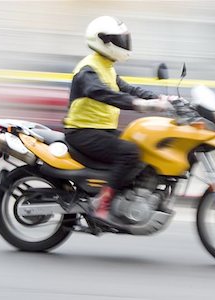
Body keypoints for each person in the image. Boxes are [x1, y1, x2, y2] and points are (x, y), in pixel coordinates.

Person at [64, 16, 172, 225]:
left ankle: (127, 197)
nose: (124, 44)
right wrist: (141, 105)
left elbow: (129, 89)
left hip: (101, 130)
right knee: (129, 153)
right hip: (82, 132)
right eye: (119, 40)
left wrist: (161, 99)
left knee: (143, 148)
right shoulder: (88, 69)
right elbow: (102, 93)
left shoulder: (107, 67)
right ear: (103, 40)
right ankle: (102, 203)